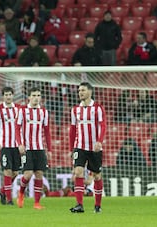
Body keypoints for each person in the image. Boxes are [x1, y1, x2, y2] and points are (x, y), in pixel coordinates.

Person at [69, 82, 106, 213]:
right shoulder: (75, 110)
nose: (80, 93)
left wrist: (99, 141)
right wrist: (71, 148)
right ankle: (79, 205)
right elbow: (72, 130)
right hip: (79, 146)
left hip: (94, 148)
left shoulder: (98, 108)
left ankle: (97, 205)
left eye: (83, 90)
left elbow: (103, 125)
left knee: (96, 176)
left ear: (90, 92)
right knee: (78, 172)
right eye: (79, 90)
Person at [15, 87, 52, 210]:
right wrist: (19, 144)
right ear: (29, 97)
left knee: (39, 174)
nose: (36, 98)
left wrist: (49, 149)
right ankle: (21, 193)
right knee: (28, 174)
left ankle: (37, 203)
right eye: (34, 95)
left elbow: (47, 132)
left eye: (38, 95)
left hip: (39, 148)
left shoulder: (44, 112)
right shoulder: (22, 110)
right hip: (27, 148)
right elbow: (17, 128)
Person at [0, 87, 21, 205]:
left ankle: (3, 190)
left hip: (16, 146)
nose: (8, 97)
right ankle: (9, 199)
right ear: (3, 96)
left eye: (10, 94)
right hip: (4, 145)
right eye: (6, 95)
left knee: (15, 173)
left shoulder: (19, 109)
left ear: (13, 95)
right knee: (7, 171)